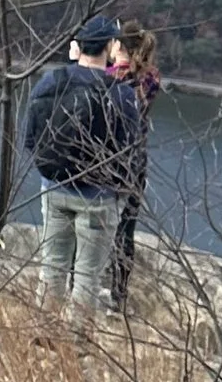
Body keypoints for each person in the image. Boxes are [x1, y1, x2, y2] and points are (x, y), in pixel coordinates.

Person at [23, 17, 137, 322]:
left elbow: (31, 136)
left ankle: (42, 334)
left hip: (55, 186)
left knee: (52, 267)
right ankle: (77, 344)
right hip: (99, 197)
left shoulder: (51, 81)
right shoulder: (121, 94)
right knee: (87, 276)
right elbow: (130, 151)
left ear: (79, 45)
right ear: (111, 47)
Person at [106, 23, 161, 310]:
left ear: (120, 46)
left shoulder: (113, 78)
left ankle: (93, 283)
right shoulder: (151, 78)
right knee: (126, 229)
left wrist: (115, 62)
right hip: (136, 161)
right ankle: (119, 293)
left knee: (97, 223)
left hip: (109, 160)